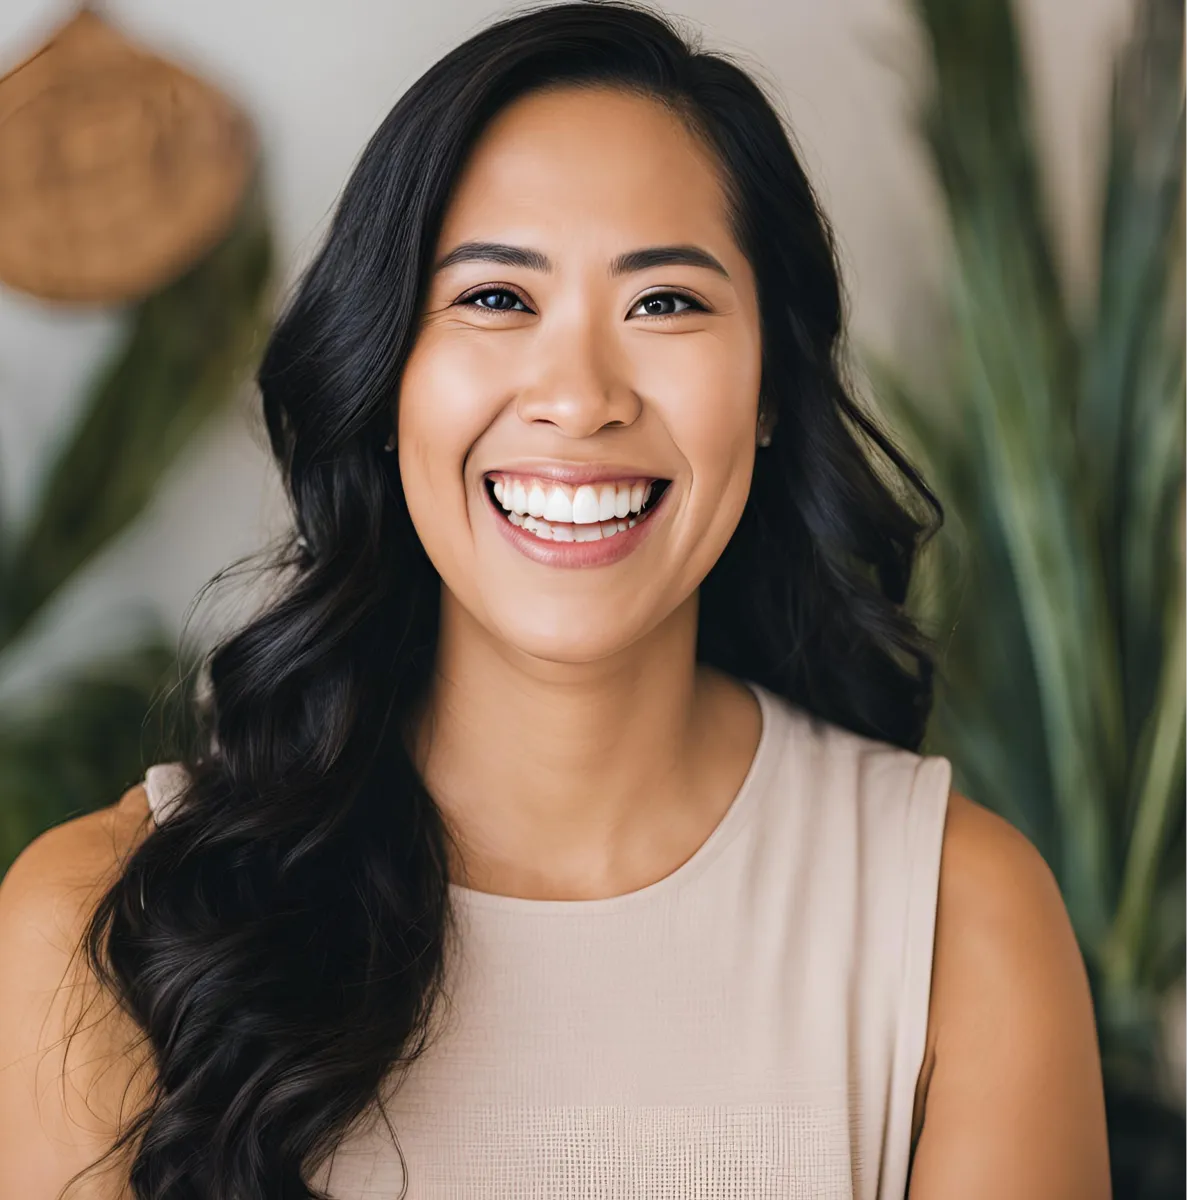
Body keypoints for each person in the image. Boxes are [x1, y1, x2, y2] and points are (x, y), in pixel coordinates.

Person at [0, 3, 1110, 1197]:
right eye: (494, 300)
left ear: (772, 390)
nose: (579, 399)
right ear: (386, 382)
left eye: (666, 303)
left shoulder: (956, 921)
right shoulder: (100, 925)